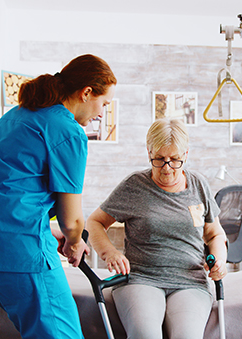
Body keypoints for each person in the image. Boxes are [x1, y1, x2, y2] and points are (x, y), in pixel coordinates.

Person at [0, 54, 117, 339]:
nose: (101, 113)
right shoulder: (67, 130)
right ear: (87, 93)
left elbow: (8, 192)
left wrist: (50, 231)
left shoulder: (15, 116)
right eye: (104, 104)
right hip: (19, 254)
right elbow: (73, 221)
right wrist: (74, 242)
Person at [86, 118, 228, 339]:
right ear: (149, 151)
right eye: (159, 159)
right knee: (145, 335)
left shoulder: (199, 185)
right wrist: (109, 252)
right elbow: (94, 222)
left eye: (175, 160)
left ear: (186, 154)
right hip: (141, 278)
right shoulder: (134, 185)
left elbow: (214, 233)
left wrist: (219, 260)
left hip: (189, 281)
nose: (167, 168)